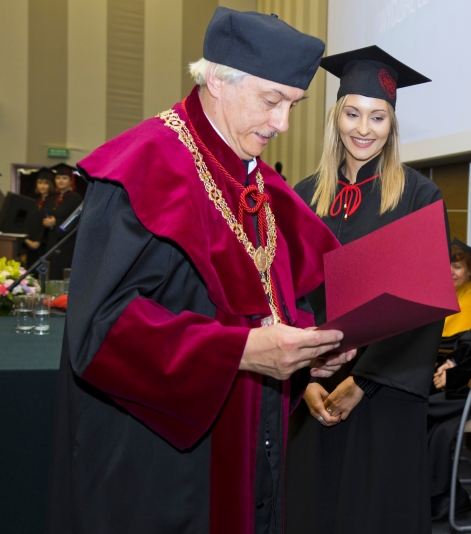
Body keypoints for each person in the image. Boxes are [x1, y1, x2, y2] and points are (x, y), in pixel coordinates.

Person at [44, 9, 354, 534]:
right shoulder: (143, 166)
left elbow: (273, 302)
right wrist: (239, 352)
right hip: (159, 468)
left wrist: (309, 350)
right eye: (272, 100)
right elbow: (100, 331)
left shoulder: (258, 182)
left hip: (249, 449)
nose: (282, 123)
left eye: (293, 105)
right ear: (216, 80)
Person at [287, 45, 445, 533]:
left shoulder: (418, 195)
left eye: (378, 117)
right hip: (313, 389)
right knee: (311, 509)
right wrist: (304, 379)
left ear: (392, 124)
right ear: (335, 117)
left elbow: (423, 305)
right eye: (352, 113)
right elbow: (287, 297)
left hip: (384, 395)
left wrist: (364, 381)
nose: (363, 129)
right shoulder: (302, 196)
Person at [429, 302, 471, 520]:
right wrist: (453, 361)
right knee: (438, 423)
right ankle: (444, 494)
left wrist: (456, 375)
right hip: (468, 378)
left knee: (425, 408)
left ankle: (444, 495)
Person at [438, 238, 471, 357]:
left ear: (470, 271)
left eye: (457, 267)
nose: (450, 271)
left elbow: (457, 347)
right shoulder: (444, 295)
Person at [41, 164, 82, 279]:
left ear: (70, 181)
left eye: (64, 178)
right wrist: (46, 222)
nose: (61, 181)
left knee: (62, 269)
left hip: (66, 241)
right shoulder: (52, 198)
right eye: (58, 178)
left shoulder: (76, 198)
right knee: (50, 269)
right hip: (51, 239)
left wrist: (57, 223)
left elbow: (76, 220)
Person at [22, 168, 55, 267]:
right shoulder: (35, 202)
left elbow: (46, 225)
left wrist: (38, 241)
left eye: (46, 183)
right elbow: (27, 221)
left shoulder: (53, 202)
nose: (42, 186)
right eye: (39, 183)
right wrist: (26, 239)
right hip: (29, 244)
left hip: (43, 245)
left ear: (50, 185)